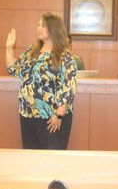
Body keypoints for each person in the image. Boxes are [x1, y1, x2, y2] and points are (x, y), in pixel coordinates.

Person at [5, 12, 77, 149]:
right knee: (31, 160)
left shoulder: (64, 57)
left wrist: (59, 116)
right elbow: (13, 70)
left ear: (53, 28)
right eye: (38, 25)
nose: (38, 28)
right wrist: (9, 48)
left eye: (42, 25)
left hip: (52, 118)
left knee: (51, 161)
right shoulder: (32, 51)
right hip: (28, 114)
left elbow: (69, 88)